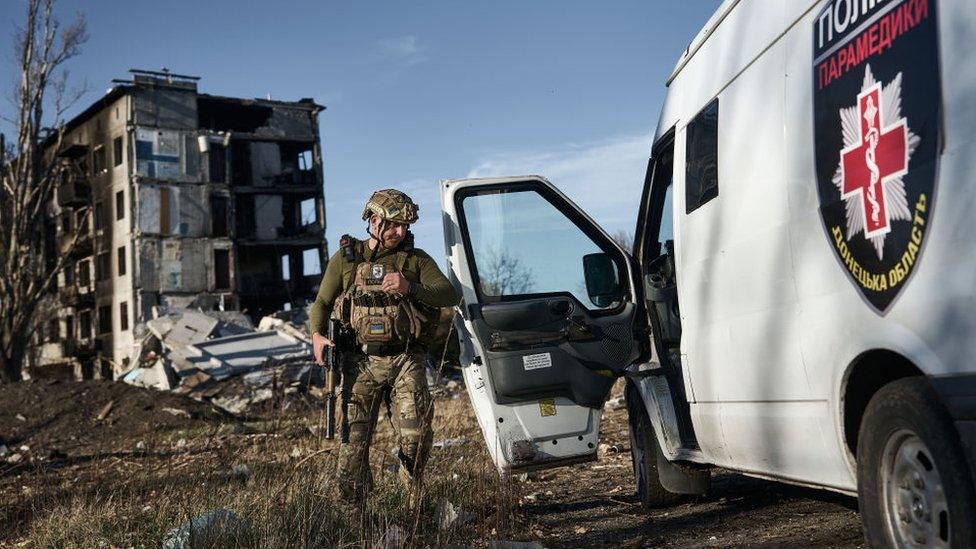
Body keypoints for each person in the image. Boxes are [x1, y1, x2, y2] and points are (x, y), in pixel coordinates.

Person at [309, 189, 460, 502]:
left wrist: (410, 287)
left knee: (417, 436)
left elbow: (448, 294)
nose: (400, 232)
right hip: (358, 362)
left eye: (405, 226)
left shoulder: (414, 260)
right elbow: (323, 301)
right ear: (374, 221)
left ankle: (410, 502)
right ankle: (355, 522)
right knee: (352, 447)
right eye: (393, 225)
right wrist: (317, 335)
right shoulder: (347, 259)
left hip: (406, 358)